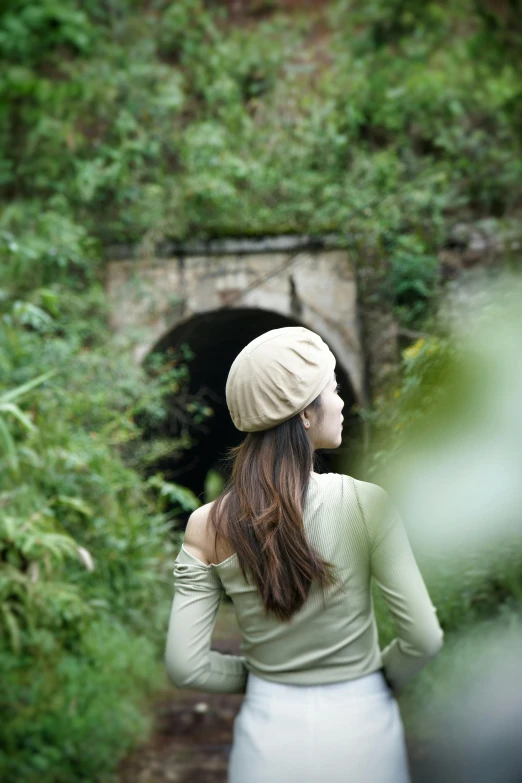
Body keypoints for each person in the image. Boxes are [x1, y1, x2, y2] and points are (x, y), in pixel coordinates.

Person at [165, 326, 444, 783]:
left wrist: (262, 675)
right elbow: (424, 639)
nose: (341, 402)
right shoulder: (367, 503)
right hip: (364, 730)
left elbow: (186, 665)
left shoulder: (208, 525)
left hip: (268, 735)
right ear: (305, 416)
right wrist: (372, 677)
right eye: (332, 390)